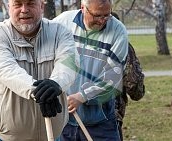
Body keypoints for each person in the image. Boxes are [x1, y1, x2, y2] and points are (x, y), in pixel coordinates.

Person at [0, 0, 78, 140]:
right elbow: (8, 72)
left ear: (42, 6)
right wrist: (42, 92)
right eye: (18, 4)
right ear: (9, 8)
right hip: (1, 136)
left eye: (30, 3)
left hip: (50, 135)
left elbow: (69, 63)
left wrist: (56, 84)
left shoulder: (60, 32)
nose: (24, 9)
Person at [53, 0, 128, 140]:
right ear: (83, 8)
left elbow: (112, 78)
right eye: (97, 15)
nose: (102, 21)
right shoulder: (63, 22)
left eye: (107, 15)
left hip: (100, 122)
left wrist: (82, 96)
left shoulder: (118, 31)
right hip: (63, 120)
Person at [110, 11, 145, 141]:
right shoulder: (122, 45)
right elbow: (134, 83)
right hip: (110, 116)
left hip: (73, 115)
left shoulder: (77, 39)